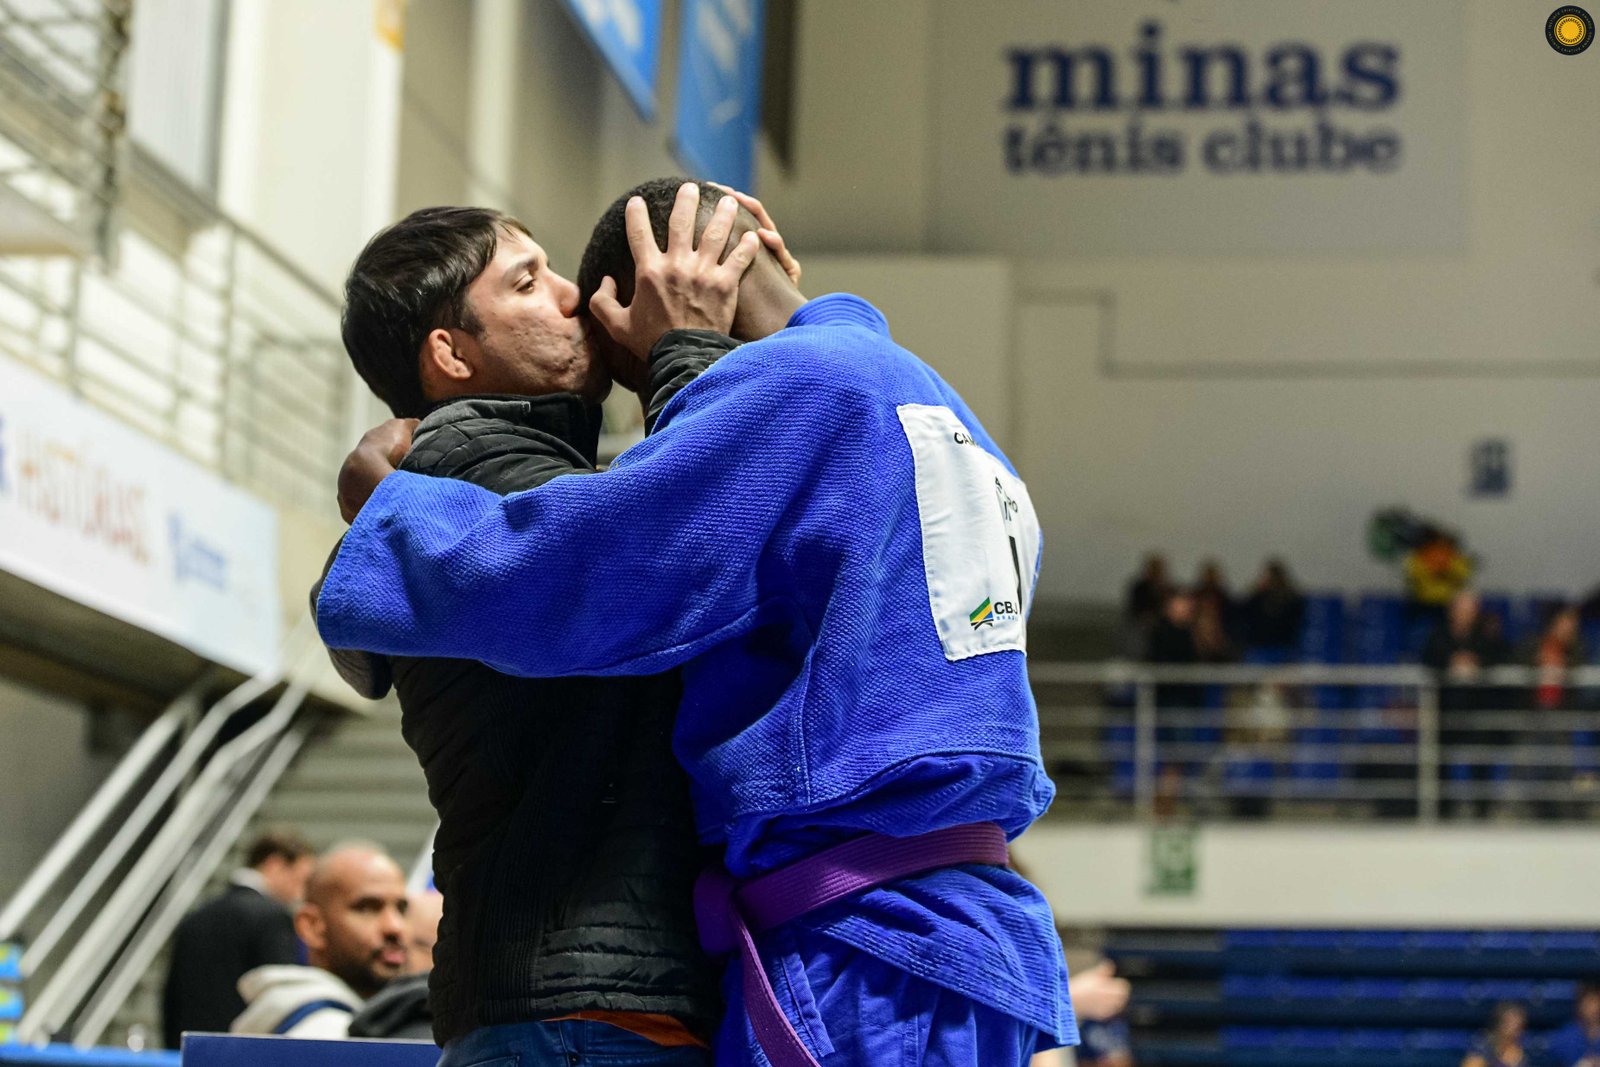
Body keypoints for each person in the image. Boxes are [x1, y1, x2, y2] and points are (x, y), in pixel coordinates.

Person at [317, 179, 1076, 1065]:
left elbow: (605, 570)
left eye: (629, 360)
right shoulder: (938, 404)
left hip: (862, 937)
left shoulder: (792, 391)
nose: (570, 304)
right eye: (530, 282)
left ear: (668, 286)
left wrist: (383, 514)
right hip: (961, 924)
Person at [318, 195, 787, 1064]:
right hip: (578, 1012)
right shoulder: (471, 466)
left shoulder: (495, 476)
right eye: (528, 283)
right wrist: (696, 351)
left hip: (577, 1002)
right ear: (451, 353)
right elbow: (668, 560)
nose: (573, 294)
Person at [232, 844, 409, 1038]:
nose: (395, 927)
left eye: (401, 909)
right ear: (312, 926)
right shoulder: (327, 1034)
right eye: (367, 908)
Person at [161, 828, 312, 1047]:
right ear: (275, 865)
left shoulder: (196, 917)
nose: (300, 894)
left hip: (190, 1051)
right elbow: (281, 1001)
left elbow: (172, 1000)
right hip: (241, 1053)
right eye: (300, 881)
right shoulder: (273, 918)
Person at [1239, 558, 1305, 663]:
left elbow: (1294, 622)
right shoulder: (1257, 598)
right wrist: (1255, 590)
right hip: (1259, 647)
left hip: (1283, 647)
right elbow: (1244, 612)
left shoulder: (1292, 600)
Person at [1548, 980, 1600, 1067]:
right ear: (1579, 1004)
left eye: (1597, 1001)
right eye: (1589, 1002)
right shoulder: (1562, 1039)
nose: (1594, 1007)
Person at [1461, 1001, 1530, 1067]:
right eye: (1510, 1024)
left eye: (1520, 1026)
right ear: (1499, 1024)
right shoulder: (1484, 1046)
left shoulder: (1520, 1051)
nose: (1516, 1030)